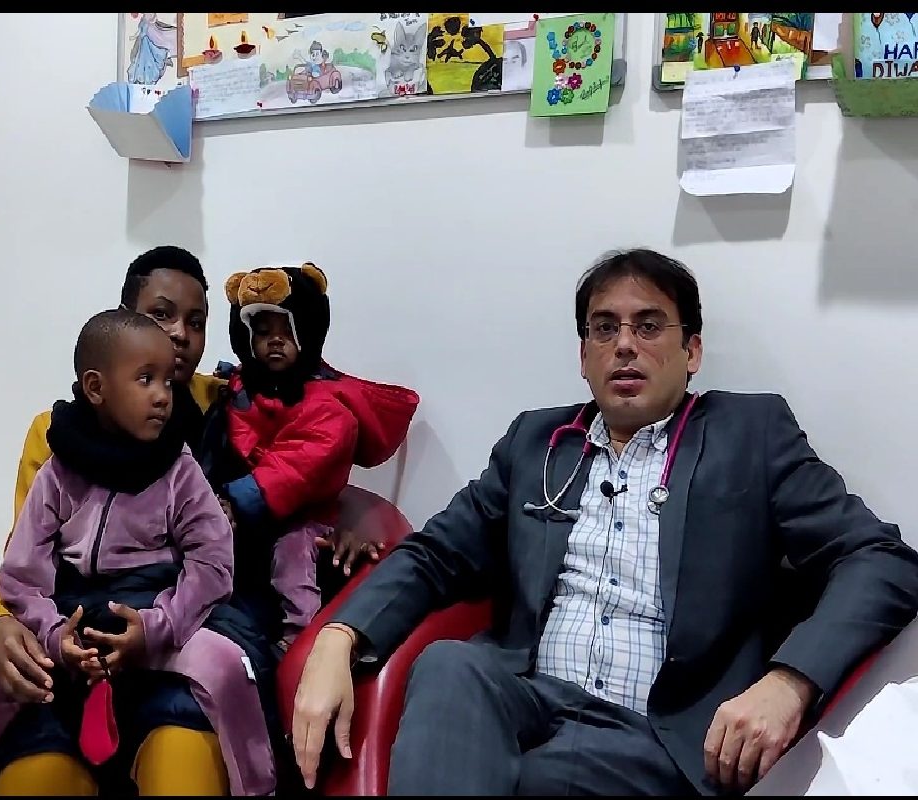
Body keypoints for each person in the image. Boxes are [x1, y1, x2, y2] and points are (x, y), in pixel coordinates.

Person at [290, 248, 918, 796]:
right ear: (584, 356)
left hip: (658, 733)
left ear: (692, 350)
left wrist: (790, 681)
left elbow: (880, 559)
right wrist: (339, 637)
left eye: (649, 326)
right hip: (526, 698)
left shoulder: (750, 436)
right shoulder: (536, 443)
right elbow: (437, 553)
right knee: (450, 665)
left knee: (525, 778)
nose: (624, 344)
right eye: (604, 328)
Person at [0, 246, 378, 796]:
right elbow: (22, 560)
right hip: (78, 639)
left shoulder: (234, 407)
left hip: (195, 631)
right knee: (35, 774)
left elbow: (306, 462)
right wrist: (2, 628)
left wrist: (347, 523)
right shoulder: (58, 436)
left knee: (182, 757)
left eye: (196, 322)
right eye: (161, 315)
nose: (180, 334)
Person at [0, 308, 278, 795]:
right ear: (96, 388)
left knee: (227, 666)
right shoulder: (59, 467)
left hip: (157, 615)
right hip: (71, 619)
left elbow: (213, 561)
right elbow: (21, 573)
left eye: (167, 381)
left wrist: (158, 628)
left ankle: (260, 787)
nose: (162, 395)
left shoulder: (178, 467)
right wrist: (53, 635)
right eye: (146, 379)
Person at [215, 264, 418, 651]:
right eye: (263, 332)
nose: (275, 342)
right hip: (256, 514)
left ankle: (300, 640)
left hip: (305, 515)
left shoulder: (328, 405)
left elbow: (296, 465)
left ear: (307, 334)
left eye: (287, 332)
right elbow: (241, 434)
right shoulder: (244, 386)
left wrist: (237, 498)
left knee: (292, 560)